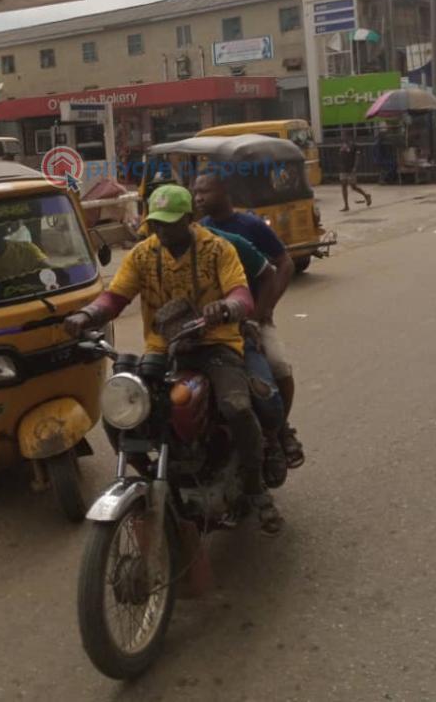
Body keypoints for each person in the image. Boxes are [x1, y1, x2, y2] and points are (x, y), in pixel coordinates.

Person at [64, 184, 283, 534]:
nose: (161, 231)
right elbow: (116, 297)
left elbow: (242, 295)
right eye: (156, 223)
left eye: (169, 223)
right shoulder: (143, 254)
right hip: (163, 348)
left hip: (216, 345)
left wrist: (227, 307)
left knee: (237, 407)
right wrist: (88, 315)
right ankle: (151, 476)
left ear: (189, 219)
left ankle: (257, 490)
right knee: (121, 410)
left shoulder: (217, 249)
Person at [192, 170, 305, 470]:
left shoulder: (250, 225)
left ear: (225, 192)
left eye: (206, 191)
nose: (199, 197)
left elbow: (283, 264)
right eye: (196, 192)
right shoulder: (200, 230)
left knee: (278, 367)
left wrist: (264, 310)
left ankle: (281, 429)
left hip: (254, 315)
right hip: (219, 321)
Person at [338, 131, 372, 212]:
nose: (342, 137)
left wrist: (355, 167)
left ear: (348, 136)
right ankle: (346, 205)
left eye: (343, 135)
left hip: (350, 168)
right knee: (343, 186)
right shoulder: (342, 145)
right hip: (343, 169)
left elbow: (357, 157)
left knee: (353, 186)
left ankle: (366, 195)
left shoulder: (354, 145)